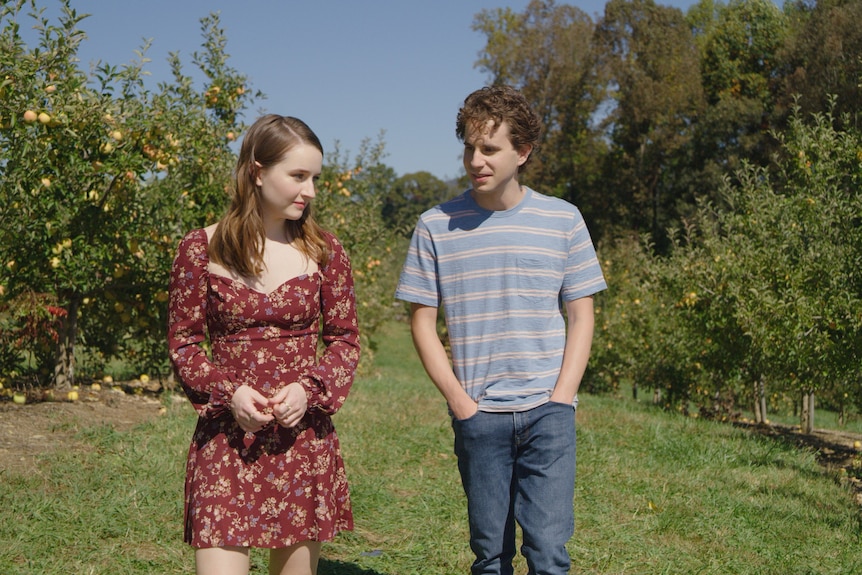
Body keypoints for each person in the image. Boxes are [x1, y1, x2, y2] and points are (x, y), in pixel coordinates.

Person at [395, 85, 607, 575]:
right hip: (479, 415)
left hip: (547, 413)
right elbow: (422, 323)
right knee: (489, 557)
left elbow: (582, 313)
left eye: (489, 148)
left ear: (523, 152)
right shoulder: (434, 226)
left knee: (549, 554)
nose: (475, 159)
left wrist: (562, 398)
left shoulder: (563, 220)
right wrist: (459, 402)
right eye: (469, 147)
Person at [168, 114, 360, 575]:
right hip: (226, 440)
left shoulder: (325, 252)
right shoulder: (200, 250)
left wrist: (307, 390)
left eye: (315, 178)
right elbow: (185, 344)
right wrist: (228, 393)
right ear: (257, 171)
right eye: (298, 176)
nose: (310, 190)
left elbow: (345, 341)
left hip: (301, 439)